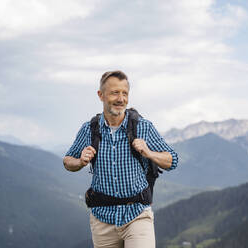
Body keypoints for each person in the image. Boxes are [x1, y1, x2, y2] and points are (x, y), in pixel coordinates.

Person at [63, 70, 178, 248]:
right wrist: (80, 162)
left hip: (137, 215)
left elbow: (172, 160)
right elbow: (67, 161)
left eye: (125, 93)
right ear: (100, 95)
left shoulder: (143, 127)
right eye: (115, 92)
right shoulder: (89, 129)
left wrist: (149, 153)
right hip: (102, 219)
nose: (121, 98)